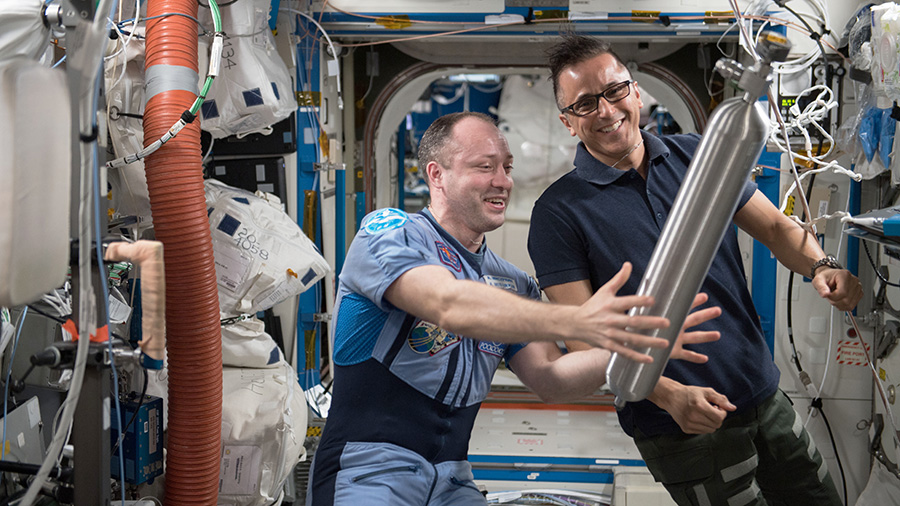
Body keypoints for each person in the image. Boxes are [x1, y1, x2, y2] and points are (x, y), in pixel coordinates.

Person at [306, 111, 722, 506]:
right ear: (437, 174)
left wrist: (634, 347)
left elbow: (551, 380)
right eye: (484, 167)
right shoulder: (390, 234)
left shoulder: (513, 283)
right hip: (369, 472)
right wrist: (578, 321)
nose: (502, 181)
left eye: (506, 167)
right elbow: (448, 304)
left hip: (452, 479)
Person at [527, 34, 864, 506]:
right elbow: (586, 342)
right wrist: (666, 395)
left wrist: (822, 265)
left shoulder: (697, 157)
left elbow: (775, 228)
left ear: (636, 92)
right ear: (567, 122)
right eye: (584, 104)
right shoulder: (557, 213)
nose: (606, 111)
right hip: (679, 424)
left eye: (614, 91)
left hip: (762, 393)